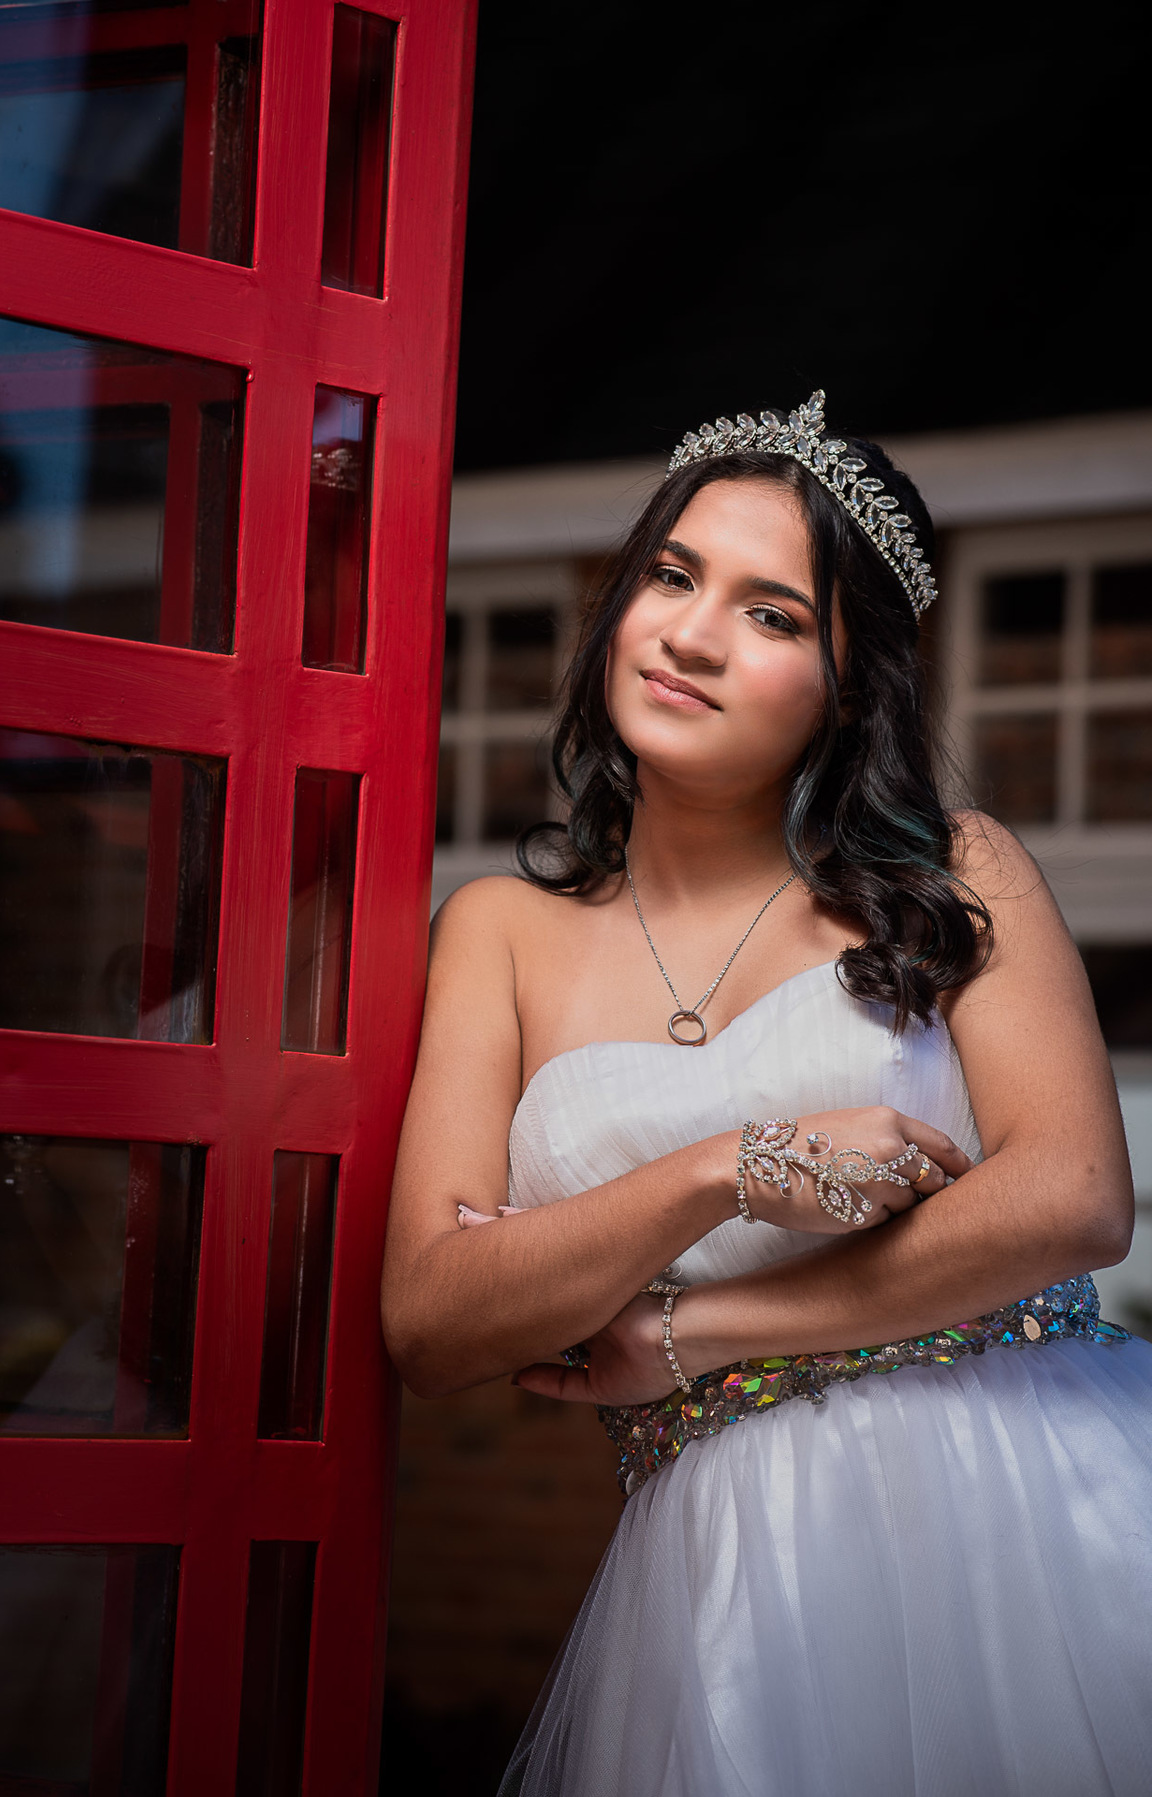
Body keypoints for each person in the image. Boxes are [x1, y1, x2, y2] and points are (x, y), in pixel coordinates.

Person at [381, 393, 1152, 1796]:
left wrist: (690, 1329)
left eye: (774, 613)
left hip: (1031, 1507)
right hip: (729, 1568)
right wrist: (720, 1168)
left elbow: (1078, 1198)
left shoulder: (957, 872)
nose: (689, 633)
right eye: (671, 577)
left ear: (851, 686)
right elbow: (432, 1318)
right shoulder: (498, 932)